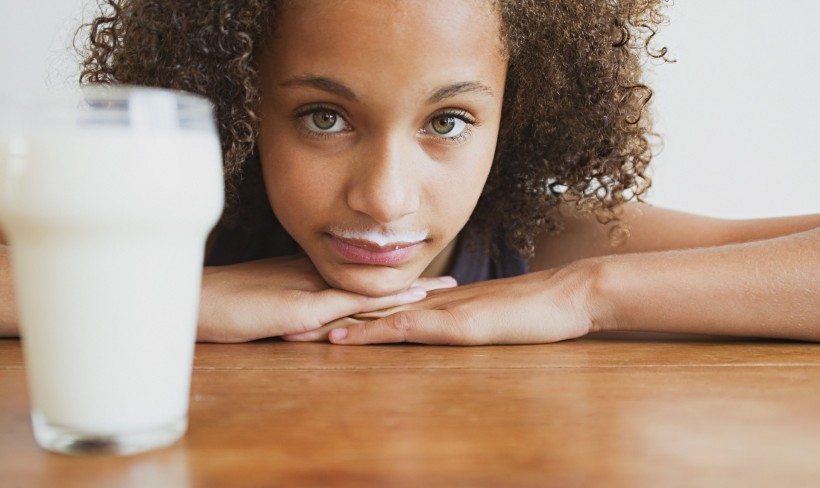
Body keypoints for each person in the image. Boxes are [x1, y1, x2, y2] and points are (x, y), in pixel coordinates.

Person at [0, 0, 817, 344]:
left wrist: (587, 293)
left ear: (517, 114)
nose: (384, 197)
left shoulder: (534, 244)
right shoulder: (162, 211)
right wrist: (175, 296)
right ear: (238, 98)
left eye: (448, 122)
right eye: (325, 116)